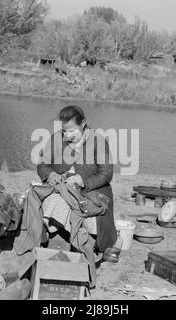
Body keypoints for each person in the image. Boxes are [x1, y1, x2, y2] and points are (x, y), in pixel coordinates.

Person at [37, 105, 121, 262]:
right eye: (65, 131)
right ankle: (54, 239)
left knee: (89, 212)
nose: (68, 135)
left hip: (93, 189)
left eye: (72, 130)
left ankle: (87, 245)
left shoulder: (98, 141)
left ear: (83, 124)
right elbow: (42, 165)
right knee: (53, 201)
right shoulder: (56, 139)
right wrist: (51, 174)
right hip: (62, 187)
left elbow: (106, 174)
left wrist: (83, 181)